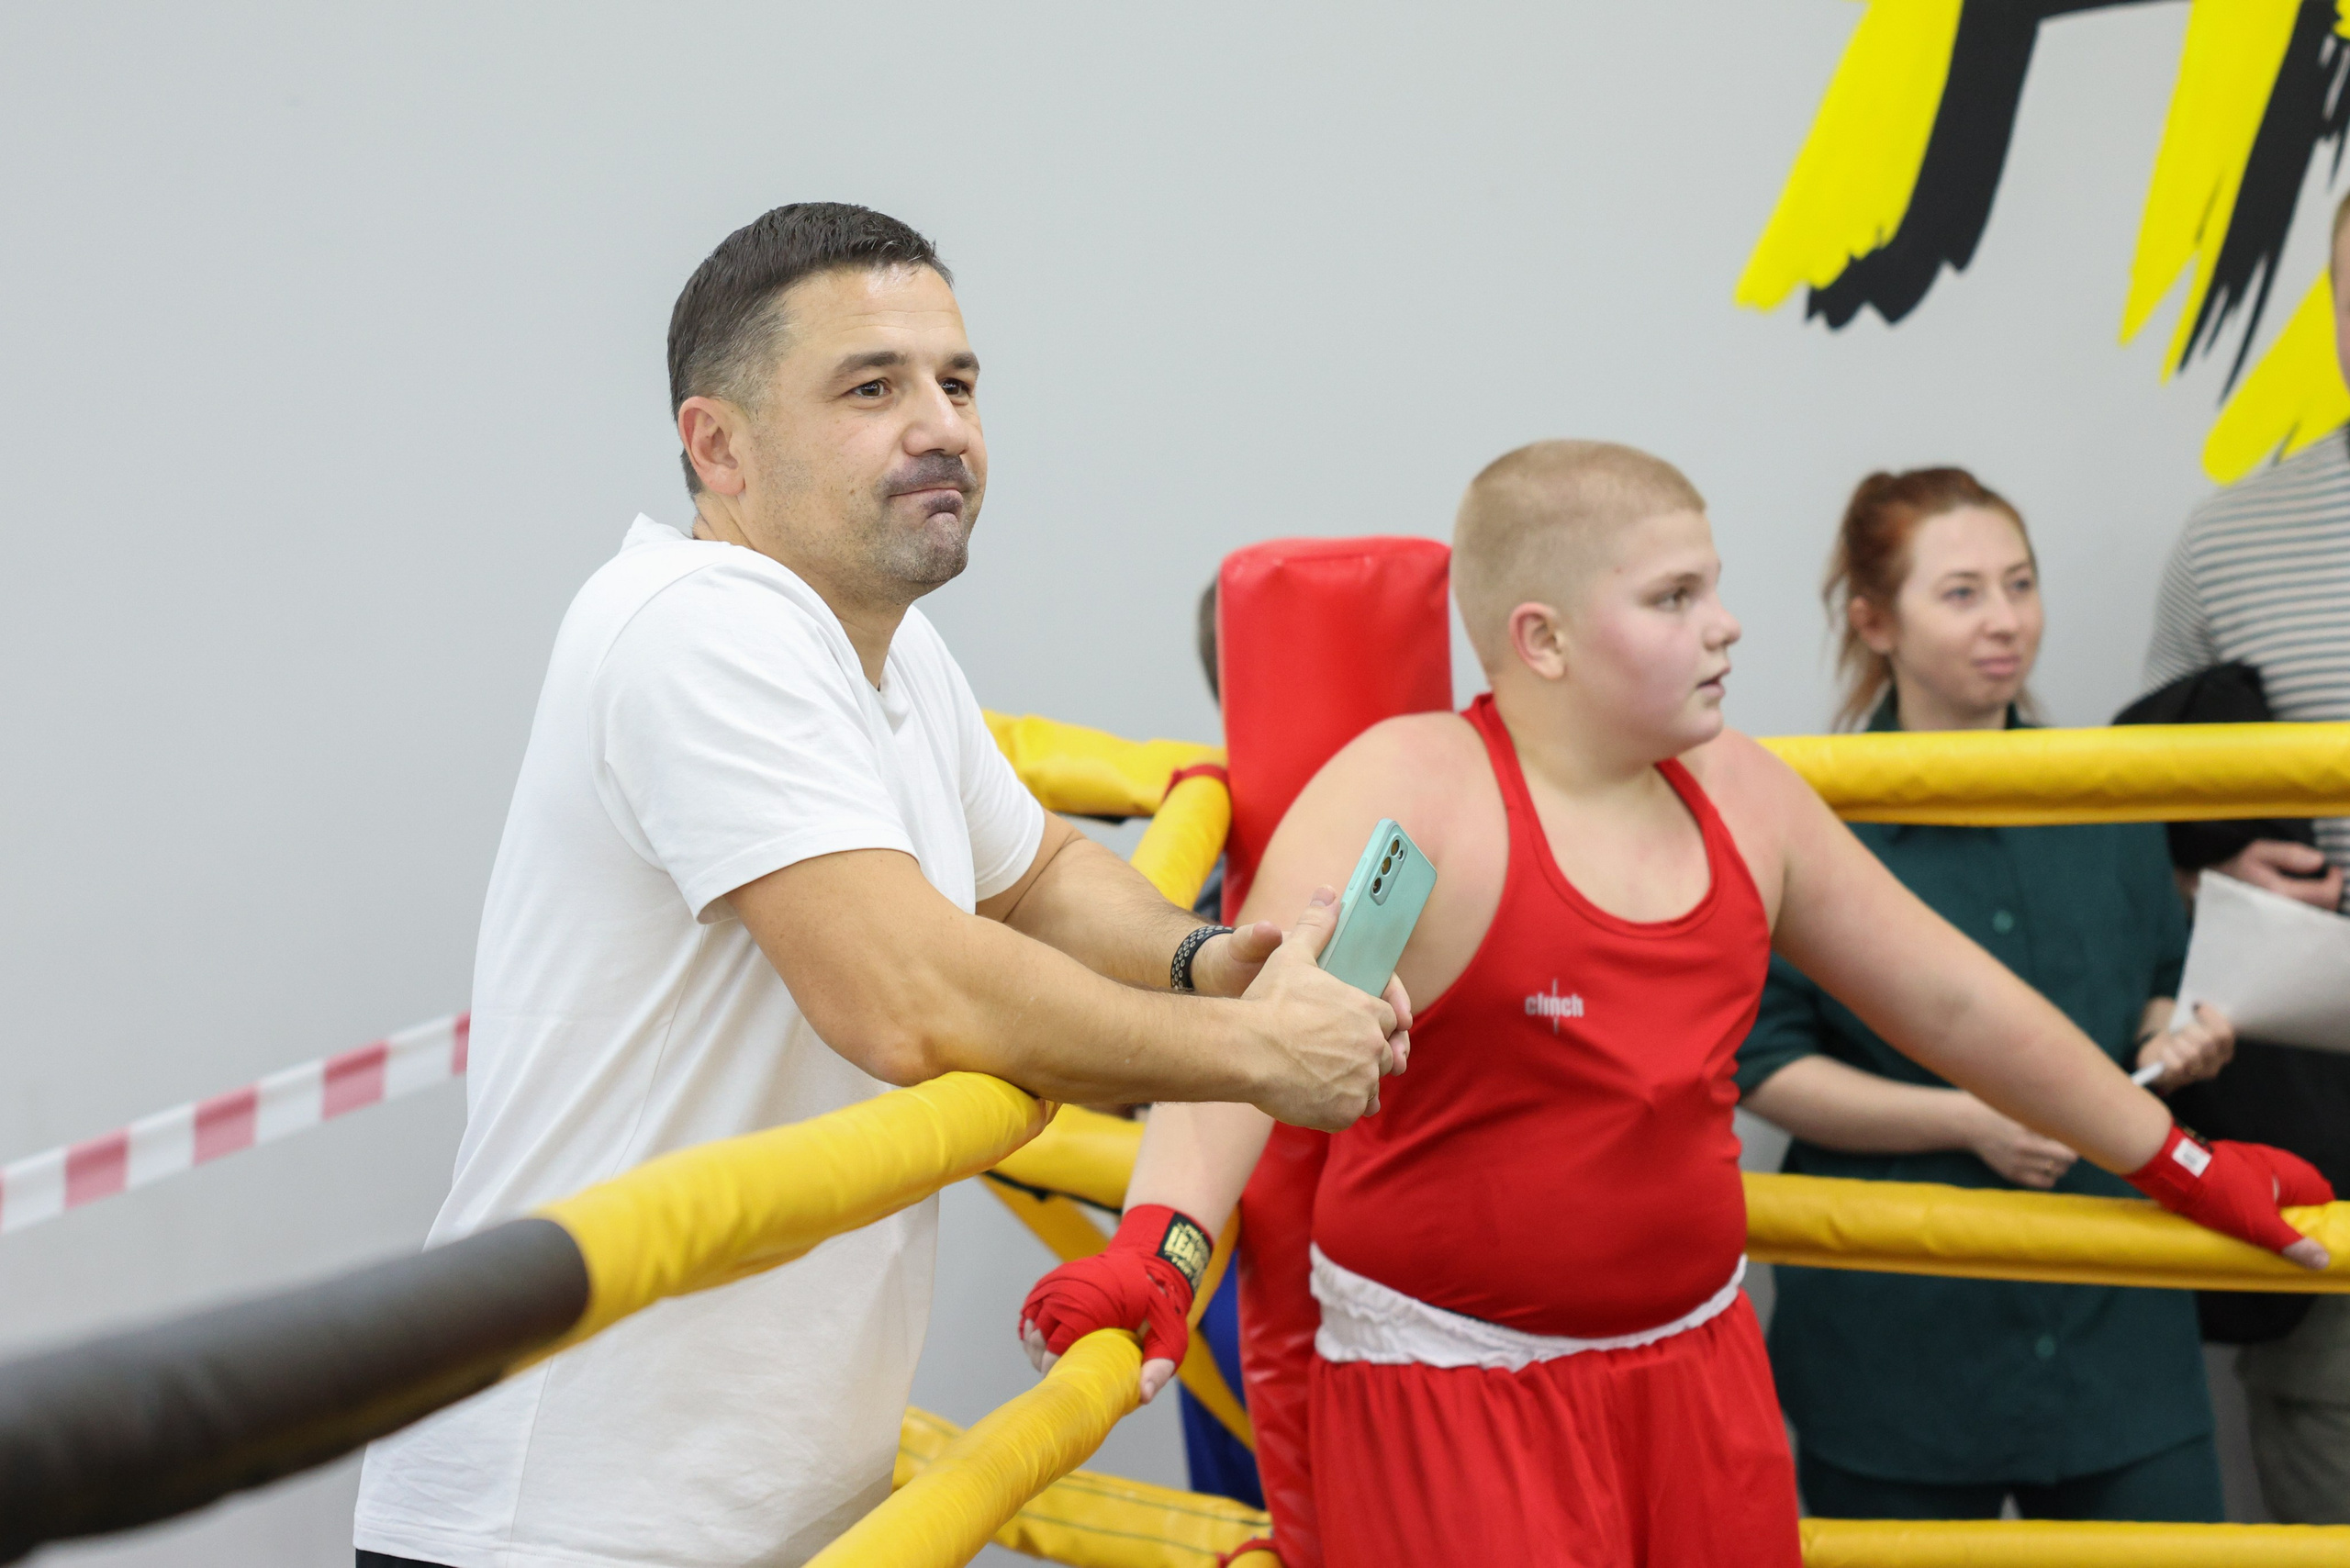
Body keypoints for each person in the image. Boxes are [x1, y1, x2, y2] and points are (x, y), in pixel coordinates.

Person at [1017, 440, 2333, 1567]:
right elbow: (1250, 1043)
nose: (1728, 623)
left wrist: (2177, 1158)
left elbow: (1957, 1001)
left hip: (1696, 1373)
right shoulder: (1416, 792)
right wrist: (1163, 1248)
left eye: (1714, 587)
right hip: (1452, 1388)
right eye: (1675, 595)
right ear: (1542, 637)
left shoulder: (1743, 796)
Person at [352, 204, 1405, 1568]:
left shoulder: (886, 648)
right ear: (715, 443)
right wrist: (1251, 1055)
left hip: (770, 1500)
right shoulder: (697, 625)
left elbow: (1034, 877)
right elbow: (904, 994)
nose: (942, 425)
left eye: (957, 382)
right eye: (872, 386)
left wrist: (1214, 964)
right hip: (565, 1518)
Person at [1735, 468, 2233, 1524]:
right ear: (1874, 620)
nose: (2004, 621)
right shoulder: (1803, 814)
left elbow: (2155, 985)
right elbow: (1768, 1065)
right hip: (1898, 1337)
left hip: (2119, 1322)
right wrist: (1967, 1118)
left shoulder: (2109, 790)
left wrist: (2178, 1036)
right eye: (1961, 593)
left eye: (2020, 583)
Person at [2140, 189, 2350, 1526]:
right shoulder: (2228, 536)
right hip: (2322, 1079)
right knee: (2328, 1440)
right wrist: (2200, 883)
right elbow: (2138, 817)